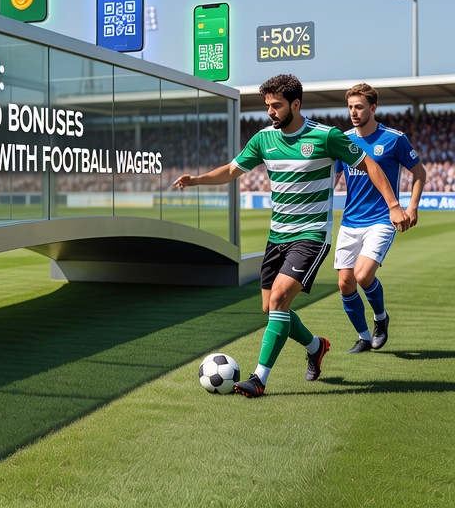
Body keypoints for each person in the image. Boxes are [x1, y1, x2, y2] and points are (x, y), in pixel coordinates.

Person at [172, 74, 410, 398]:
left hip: (312, 235)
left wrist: (394, 205)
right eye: (267, 105)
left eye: (276, 105)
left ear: (295, 105)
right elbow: (231, 171)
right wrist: (196, 180)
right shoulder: (262, 140)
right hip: (277, 236)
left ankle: (259, 379)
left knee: (282, 298)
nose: (270, 111)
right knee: (271, 310)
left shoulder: (327, 136)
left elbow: (369, 163)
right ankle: (315, 346)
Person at [335, 83, 426, 353]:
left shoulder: (394, 139)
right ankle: (364, 337)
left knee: (363, 276)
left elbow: (419, 173)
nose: (354, 112)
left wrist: (412, 207)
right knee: (344, 282)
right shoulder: (344, 140)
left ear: (373, 108)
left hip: (382, 219)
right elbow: (334, 177)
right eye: (350, 107)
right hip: (350, 220)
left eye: (359, 107)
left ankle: (380, 318)